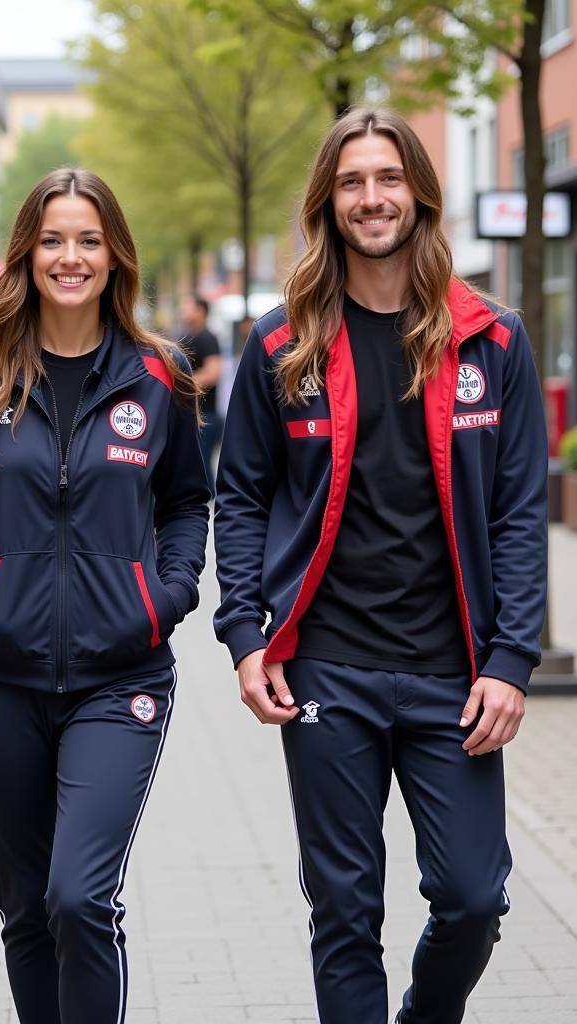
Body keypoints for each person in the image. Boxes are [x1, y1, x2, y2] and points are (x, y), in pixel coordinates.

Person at [213, 107, 547, 1024]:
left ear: (420, 196)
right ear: (329, 203)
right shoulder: (284, 346)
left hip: (456, 676)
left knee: (474, 899)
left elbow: (521, 511)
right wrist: (247, 636)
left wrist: (513, 661)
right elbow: (239, 497)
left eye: (388, 179)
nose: (372, 198)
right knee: (346, 910)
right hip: (328, 667)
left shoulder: (493, 339)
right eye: (353, 182)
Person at [0, 168, 209, 1023]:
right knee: (25, 910)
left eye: (88, 240)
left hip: (124, 674)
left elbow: (188, 500)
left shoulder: (160, 376)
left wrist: (170, 594)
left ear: (115, 254)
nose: (70, 257)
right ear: (26, 253)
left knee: (80, 898)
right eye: (52, 240)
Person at [179, 294, 223, 488]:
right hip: (196, 415)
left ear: (200, 311)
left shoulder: (207, 337)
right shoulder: (191, 336)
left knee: (202, 477)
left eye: (188, 306)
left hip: (206, 417)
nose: (183, 310)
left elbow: (213, 373)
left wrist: (181, 384)